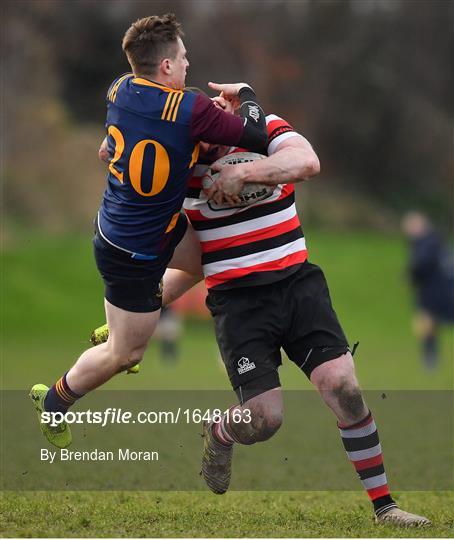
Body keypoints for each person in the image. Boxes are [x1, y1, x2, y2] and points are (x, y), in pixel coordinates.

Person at [93, 95, 431, 527]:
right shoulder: (179, 164)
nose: (216, 126)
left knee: (344, 386)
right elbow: (114, 155)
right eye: (205, 124)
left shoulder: (266, 128)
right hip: (238, 302)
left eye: (220, 115)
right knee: (264, 419)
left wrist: (246, 171)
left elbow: (307, 162)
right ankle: (221, 431)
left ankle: (385, 507)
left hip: (298, 284)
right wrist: (134, 311)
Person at [29, 13, 268, 449]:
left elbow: (110, 146)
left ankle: (118, 325)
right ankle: (56, 400)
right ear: (165, 67)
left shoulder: (120, 88)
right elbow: (255, 132)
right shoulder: (191, 109)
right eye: (182, 56)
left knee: (205, 260)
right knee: (126, 356)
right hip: (133, 251)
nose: (188, 63)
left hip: (143, 227)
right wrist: (246, 93)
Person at [401, 211, 454, 369]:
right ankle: (430, 359)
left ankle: (430, 360)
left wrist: (410, 276)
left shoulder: (426, 243)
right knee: (427, 324)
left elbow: (422, 265)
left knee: (426, 324)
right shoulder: (435, 240)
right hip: (440, 290)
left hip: (436, 292)